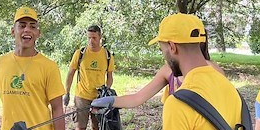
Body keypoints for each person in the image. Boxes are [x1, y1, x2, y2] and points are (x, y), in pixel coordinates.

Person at [91, 34, 224, 110]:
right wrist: (110, 101)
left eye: (162, 49)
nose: (163, 54)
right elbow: (137, 98)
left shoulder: (214, 72)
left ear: (172, 47)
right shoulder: (168, 70)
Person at [64, 25, 115, 130]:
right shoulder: (80, 53)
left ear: (100, 37)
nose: (91, 41)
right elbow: (70, 73)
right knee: (80, 127)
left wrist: (107, 90)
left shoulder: (107, 55)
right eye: (89, 38)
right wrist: (66, 92)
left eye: (94, 38)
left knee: (96, 127)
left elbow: (110, 76)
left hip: (98, 98)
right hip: (82, 96)